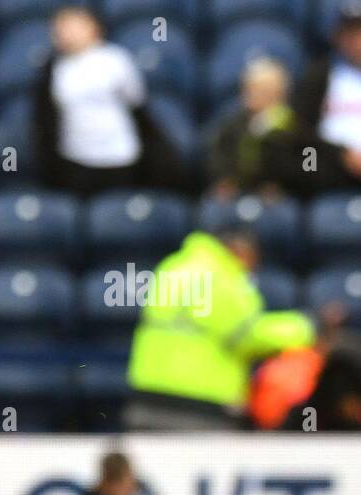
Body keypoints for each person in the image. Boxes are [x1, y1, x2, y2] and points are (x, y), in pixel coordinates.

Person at [124, 227, 316, 430]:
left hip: (145, 399)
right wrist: (307, 327)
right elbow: (247, 335)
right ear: (241, 251)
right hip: (200, 406)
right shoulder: (222, 275)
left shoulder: (171, 266)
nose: (251, 271)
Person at [33, 5, 180, 194]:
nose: (65, 34)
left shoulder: (115, 59)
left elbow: (135, 100)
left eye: (72, 26)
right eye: (59, 29)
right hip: (75, 156)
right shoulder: (53, 68)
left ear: (92, 27)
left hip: (119, 154)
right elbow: (47, 114)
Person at [293, 1, 361, 194]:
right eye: (352, 33)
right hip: (331, 168)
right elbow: (302, 127)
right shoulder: (320, 75)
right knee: (307, 160)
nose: (358, 42)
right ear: (338, 37)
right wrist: (341, 154)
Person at [207, 57, 298, 200]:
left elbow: (301, 166)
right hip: (237, 191)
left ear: (281, 94)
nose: (257, 95)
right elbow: (218, 154)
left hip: (279, 195)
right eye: (253, 89)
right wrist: (224, 179)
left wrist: (277, 183)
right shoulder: (232, 122)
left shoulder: (292, 126)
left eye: (265, 91)